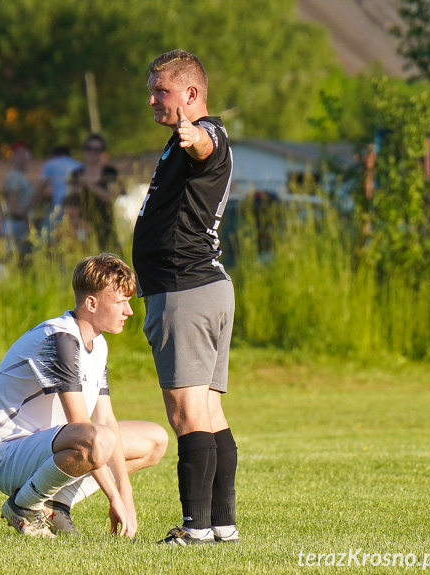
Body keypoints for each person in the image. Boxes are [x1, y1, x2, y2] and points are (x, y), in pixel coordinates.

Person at [0, 253, 168, 538]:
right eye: (120, 302)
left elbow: (106, 418)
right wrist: (112, 499)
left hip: (48, 447)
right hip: (9, 456)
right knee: (98, 439)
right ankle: (23, 506)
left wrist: (125, 493)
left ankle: (57, 505)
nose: (129, 311)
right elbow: (82, 425)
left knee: (155, 440)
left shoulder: (98, 343)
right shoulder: (61, 339)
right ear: (91, 303)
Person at [132, 49, 238, 546]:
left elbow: (206, 143)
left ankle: (196, 528)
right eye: (151, 90)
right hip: (205, 288)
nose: (152, 99)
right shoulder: (178, 141)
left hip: (185, 289)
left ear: (191, 95)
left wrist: (193, 134)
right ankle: (222, 524)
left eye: (162, 91)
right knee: (209, 414)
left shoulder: (203, 133)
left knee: (186, 415)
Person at [68, 134, 124, 253]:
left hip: (106, 222)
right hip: (83, 223)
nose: (92, 152)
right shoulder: (76, 173)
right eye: (89, 148)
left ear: (102, 152)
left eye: (96, 149)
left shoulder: (109, 172)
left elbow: (111, 197)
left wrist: (89, 185)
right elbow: (71, 199)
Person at [0, 141, 35, 260]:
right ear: (13, 157)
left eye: (24, 153)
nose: (22, 157)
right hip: (15, 223)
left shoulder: (24, 176)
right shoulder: (14, 177)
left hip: (21, 222)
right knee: (14, 256)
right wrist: (25, 217)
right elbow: (12, 203)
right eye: (18, 154)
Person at [37, 145, 81, 230]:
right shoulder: (78, 164)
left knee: (47, 233)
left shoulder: (50, 164)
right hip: (76, 207)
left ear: (54, 155)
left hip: (59, 205)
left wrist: (27, 208)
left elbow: (40, 188)